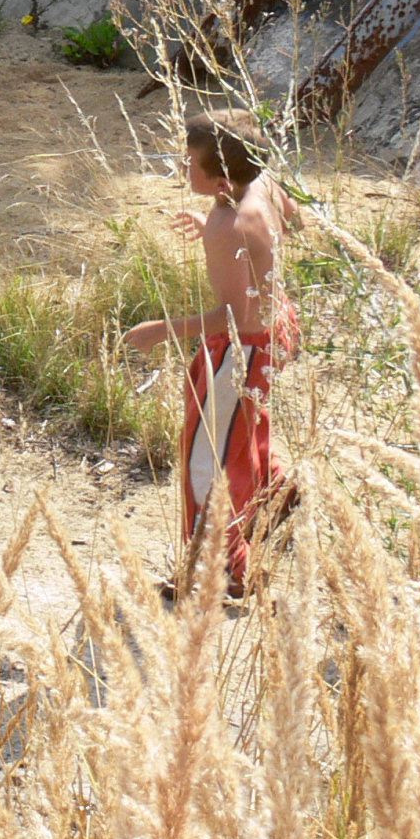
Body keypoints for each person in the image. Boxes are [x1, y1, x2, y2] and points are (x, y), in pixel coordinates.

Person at [124, 110, 300, 595]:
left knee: (205, 456)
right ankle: (274, 489)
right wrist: (231, 237)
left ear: (221, 181)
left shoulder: (229, 225)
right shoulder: (261, 184)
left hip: (242, 350)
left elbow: (233, 317)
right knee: (243, 427)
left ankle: (218, 568)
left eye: (190, 163)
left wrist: (162, 330)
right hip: (277, 328)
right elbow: (295, 221)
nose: (183, 167)